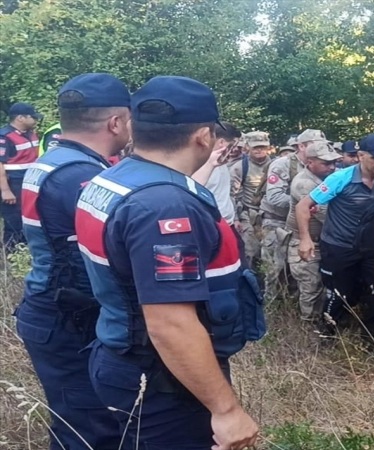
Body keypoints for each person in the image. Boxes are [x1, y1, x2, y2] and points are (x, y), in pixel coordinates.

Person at [75, 75, 259, 449]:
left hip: (124, 355)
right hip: (161, 376)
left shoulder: (113, 179)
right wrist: (226, 411)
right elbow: (170, 322)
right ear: (204, 136)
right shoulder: (166, 205)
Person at [16, 73, 129, 450]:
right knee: (90, 429)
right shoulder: (82, 176)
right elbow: (110, 255)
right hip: (66, 319)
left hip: (50, 307)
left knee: (77, 421)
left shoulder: (55, 161)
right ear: (117, 122)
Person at [295, 133, 374, 337]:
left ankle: (371, 339)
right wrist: (305, 238)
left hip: (373, 248)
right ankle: (327, 334)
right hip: (339, 246)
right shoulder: (340, 178)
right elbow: (303, 205)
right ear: (361, 155)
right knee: (338, 294)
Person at [260, 128, 325, 300]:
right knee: (275, 268)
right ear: (301, 146)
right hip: (277, 222)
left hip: (301, 226)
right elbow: (274, 197)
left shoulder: (322, 166)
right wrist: (301, 204)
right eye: (315, 144)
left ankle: (295, 305)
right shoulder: (283, 164)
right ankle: (271, 306)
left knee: (300, 270)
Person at [285, 141, 341, 321]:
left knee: (324, 286)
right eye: (326, 163)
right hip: (307, 243)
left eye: (334, 162)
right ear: (310, 162)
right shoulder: (304, 184)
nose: (332, 167)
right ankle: (309, 326)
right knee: (311, 287)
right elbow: (325, 215)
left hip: (324, 241)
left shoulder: (329, 177)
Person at [193, 122, 243, 265]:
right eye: (233, 145)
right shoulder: (201, 163)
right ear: (221, 142)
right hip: (213, 227)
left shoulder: (223, 162)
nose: (234, 150)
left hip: (228, 224)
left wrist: (235, 217)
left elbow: (225, 192)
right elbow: (193, 189)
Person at [0, 102, 42, 251]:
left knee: (28, 219)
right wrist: (5, 190)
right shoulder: (5, 137)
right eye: (33, 117)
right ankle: (10, 255)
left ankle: (25, 252)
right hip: (13, 184)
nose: (36, 120)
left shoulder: (31, 134)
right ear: (20, 118)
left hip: (29, 183)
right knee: (14, 222)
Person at [230, 131, 271, 270]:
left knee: (271, 254)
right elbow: (232, 195)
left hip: (271, 215)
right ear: (247, 147)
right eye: (256, 147)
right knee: (250, 252)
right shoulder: (240, 167)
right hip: (248, 214)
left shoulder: (277, 165)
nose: (260, 150)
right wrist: (235, 218)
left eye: (263, 147)